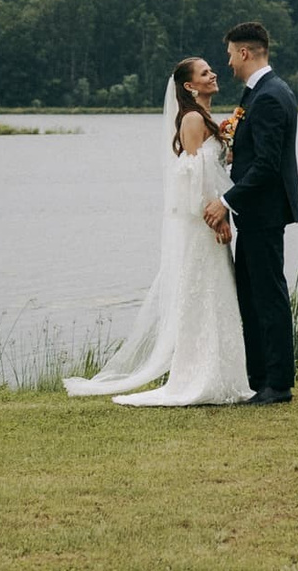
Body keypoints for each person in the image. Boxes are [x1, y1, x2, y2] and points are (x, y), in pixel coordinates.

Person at [63, 55, 253, 406]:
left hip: (209, 223)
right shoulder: (194, 119)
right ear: (189, 86)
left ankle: (223, 376)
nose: (213, 74)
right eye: (205, 72)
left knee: (217, 296)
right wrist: (218, 219)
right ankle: (201, 377)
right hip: (204, 226)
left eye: (211, 69)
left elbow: (211, 169)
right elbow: (194, 179)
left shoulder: (206, 119)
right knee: (205, 296)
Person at [202, 20, 298, 404]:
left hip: (264, 212)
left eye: (230, 54)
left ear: (245, 52)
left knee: (268, 296)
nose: (227, 63)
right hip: (255, 213)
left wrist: (226, 202)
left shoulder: (271, 96)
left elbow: (267, 165)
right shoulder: (259, 93)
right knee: (251, 294)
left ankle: (277, 384)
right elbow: (252, 155)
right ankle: (259, 379)